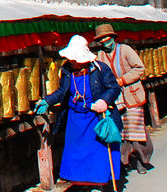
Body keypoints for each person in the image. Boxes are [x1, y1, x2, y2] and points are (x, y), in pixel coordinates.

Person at [36, 35, 123, 191]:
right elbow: (62, 91)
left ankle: (103, 183)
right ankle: (83, 183)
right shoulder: (66, 70)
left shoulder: (100, 69)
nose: (72, 61)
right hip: (76, 118)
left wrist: (104, 101)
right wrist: (47, 100)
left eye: (75, 59)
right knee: (77, 153)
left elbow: (114, 88)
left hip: (95, 117)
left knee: (99, 152)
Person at [92, 24, 153, 176]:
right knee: (121, 131)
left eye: (106, 38)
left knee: (135, 130)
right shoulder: (100, 55)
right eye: (101, 39)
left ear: (112, 37)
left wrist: (123, 80)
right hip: (115, 99)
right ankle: (125, 160)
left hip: (131, 95)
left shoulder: (125, 50)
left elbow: (139, 68)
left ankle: (140, 159)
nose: (104, 41)